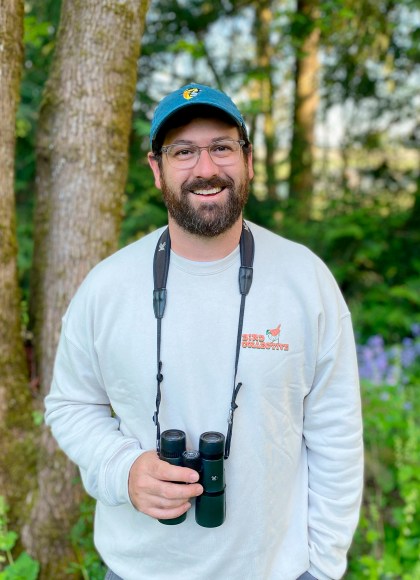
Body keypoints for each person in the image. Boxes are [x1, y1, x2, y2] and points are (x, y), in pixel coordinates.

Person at [45, 82, 364, 580]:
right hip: (138, 571)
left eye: (221, 147)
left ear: (248, 160)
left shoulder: (306, 280)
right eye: (183, 152)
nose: (206, 168)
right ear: (157, 169)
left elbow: (337, 434)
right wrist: (123, 469)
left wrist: (322, 568)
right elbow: (70, 404)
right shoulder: (105, 287)